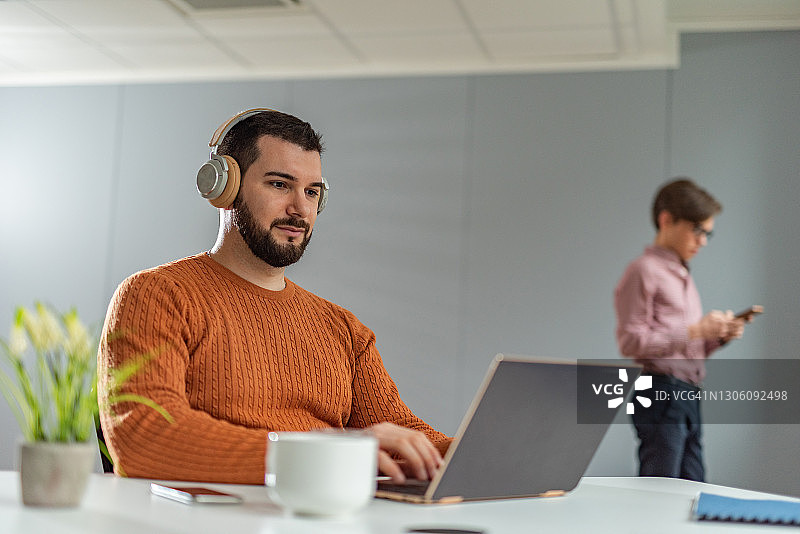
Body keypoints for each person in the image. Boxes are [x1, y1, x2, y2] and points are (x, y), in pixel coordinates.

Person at [98, 108, 450, 485]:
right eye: (280, 184)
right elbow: (146, 437)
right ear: (225, 189)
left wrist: (489, 451)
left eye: (312, 191)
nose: (300, 209)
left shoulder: (344, 329)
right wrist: (325, 454)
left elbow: (402, 436)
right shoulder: (156, 295)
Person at [613, 178, 748, 482]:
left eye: (708, 234)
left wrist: (717, 336)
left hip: (687, 393)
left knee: (692, 487)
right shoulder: (643, 270)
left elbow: (686, 346)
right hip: (660, 391)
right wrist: (697, 330)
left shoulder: (681, 274)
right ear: (666, 220)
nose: (702, 241)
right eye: (697, 230)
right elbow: (631, 341)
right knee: (661, 489)